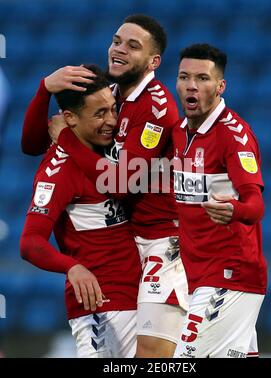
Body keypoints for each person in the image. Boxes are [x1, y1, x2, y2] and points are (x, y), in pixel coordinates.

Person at [21, 15, 188, 358]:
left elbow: (121, 183)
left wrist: (68, 138)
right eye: (116, 41)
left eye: (133, 45)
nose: (111, 120)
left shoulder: (155, 107)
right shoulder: (110, 93)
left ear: (154, 61)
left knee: (155, 358)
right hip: (120, 269)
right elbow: (31, 144)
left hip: (160, 242)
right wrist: (44, 88)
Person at [20, 65, 141, 358]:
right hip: (102, 305)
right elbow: (30, 243)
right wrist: (71, 267)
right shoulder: (58, 170)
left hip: (148, 295)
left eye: (113, 109)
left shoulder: (116, 147)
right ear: (70, 118)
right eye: (99, 114)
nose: (112, 121)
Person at [172, 44, 267, 358]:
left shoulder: (233, 135)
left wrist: (233, 210)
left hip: (231, 273)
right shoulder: (177, 133)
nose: (192, 85)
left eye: (202, 78)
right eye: (184, 77)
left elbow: (256, 205)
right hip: (197, 275)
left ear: (220, 86)